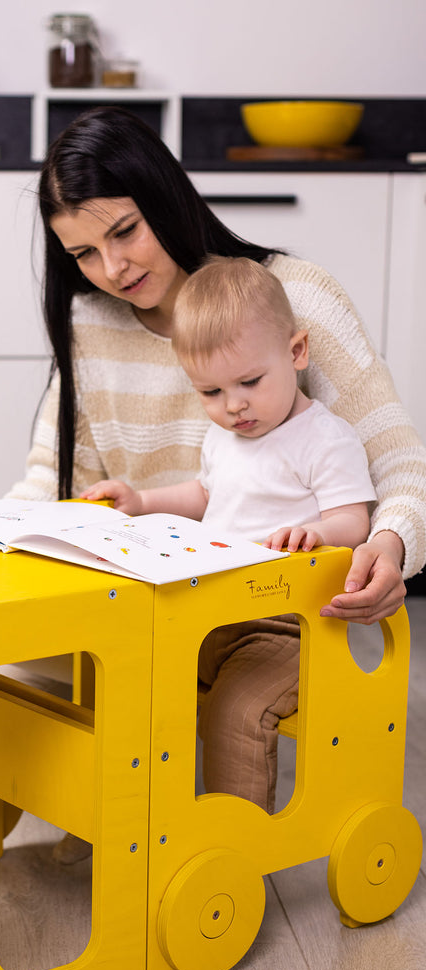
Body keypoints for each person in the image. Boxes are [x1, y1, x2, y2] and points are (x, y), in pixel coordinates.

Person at [3, 106, 426, 857]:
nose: (113, 269)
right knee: (2, 659)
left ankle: (222, 855)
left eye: (125, 231)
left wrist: (389, 545)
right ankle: (119, 826)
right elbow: (53, 477)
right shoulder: (90, 322)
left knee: (232, 703)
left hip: (282, 609)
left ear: (166, 196)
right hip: (165, 605)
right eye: (84, 253)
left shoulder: (290, 300)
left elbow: (400, 467)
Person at [78, 255, 377, 816]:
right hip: (207, 617)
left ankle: (235, 840)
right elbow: (205, 496)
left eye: (250, 382)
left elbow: (354, 521)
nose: (233, 405)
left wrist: (315, 532)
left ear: (296, 352)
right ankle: (129, 816)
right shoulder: (223, 438)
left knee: (238, 712)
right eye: (210, 391)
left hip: (287, 629)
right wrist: (141, 503)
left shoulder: (324, 438)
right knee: (127, 674)